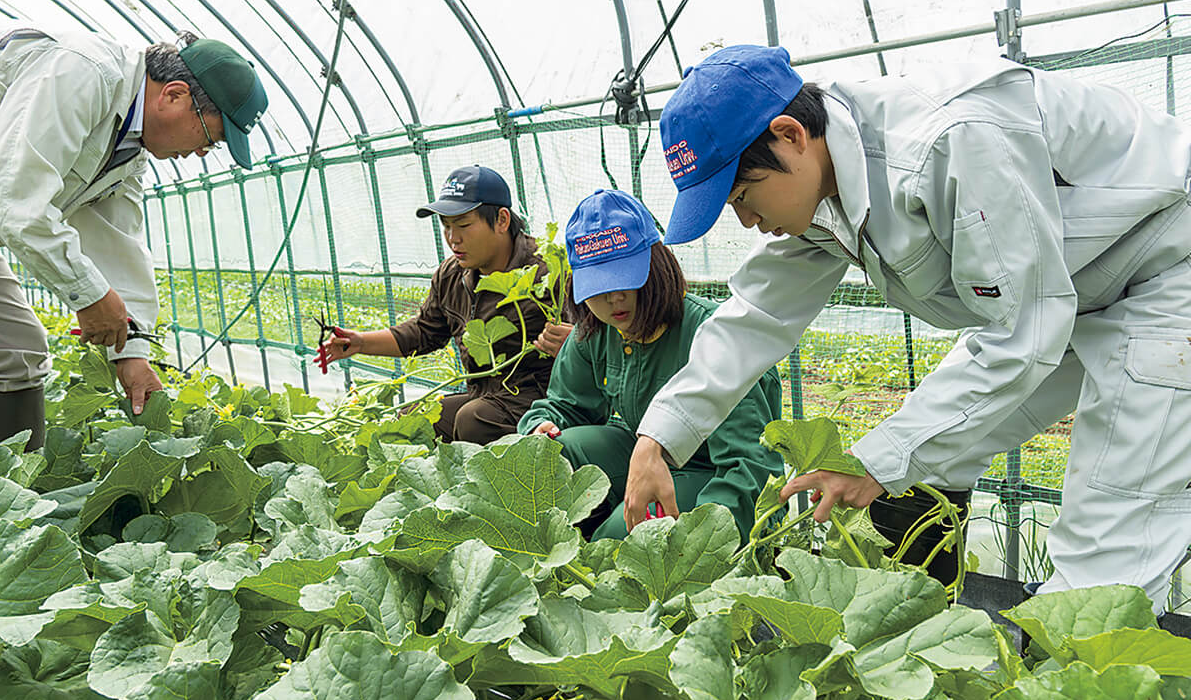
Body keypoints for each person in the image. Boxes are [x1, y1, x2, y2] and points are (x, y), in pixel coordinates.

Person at [625, 44, 1191, 612]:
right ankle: (916, 637)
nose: (746, 220)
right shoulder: (822, 187)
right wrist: (659, 439)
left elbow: (1024, 335)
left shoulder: (952, 140)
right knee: (928, 463)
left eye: (742, 196)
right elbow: (756, 316)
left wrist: (875, 462)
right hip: (1069, 290)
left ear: (791, 134)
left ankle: (1077, 678)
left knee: (1109, 536)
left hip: (1167, 269)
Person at [0, 23, 268, 449]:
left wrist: (132, 355)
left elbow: (118, 247)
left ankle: (9, 495)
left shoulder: (130, 153)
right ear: (174, 95)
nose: (200, 154)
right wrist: (90, 296)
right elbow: (14, 199)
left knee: (18, 354)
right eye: (209, 139)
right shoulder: (82, 71)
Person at [517, 188, 783, 541]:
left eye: (627, 279)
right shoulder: (595, 333)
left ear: (658, 266)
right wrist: (542, 424)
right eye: (599, 286)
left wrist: (716, 538)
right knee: (557, 449)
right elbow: (566, 404)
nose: (614, 298)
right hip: (644, 455)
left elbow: (749, 465)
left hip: (711, 472)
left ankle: (610, 535)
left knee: (614, 541)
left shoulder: (718, 336)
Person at [320, 164, 571, 444]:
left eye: (463, 225)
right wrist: (361, 343)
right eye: (446, 226)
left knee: (473, 420)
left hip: (545, 407)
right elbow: (425, 331)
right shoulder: (452, 274)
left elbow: (601, 334)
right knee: (413, 420)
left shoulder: (551, 270)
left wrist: (575, 342)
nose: (453, 238)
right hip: (486, 398)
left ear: (501, 220)